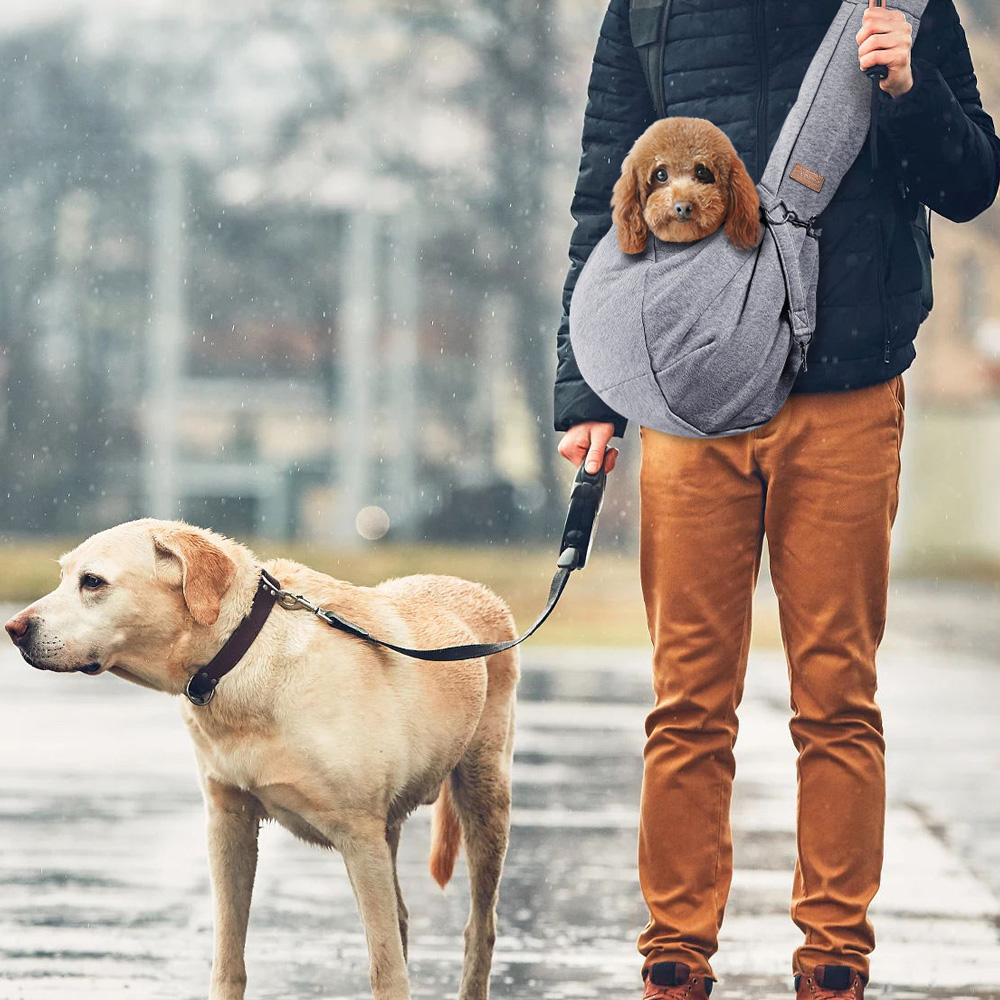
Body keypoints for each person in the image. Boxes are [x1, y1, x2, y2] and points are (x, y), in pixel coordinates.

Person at [553, 2, 1000, 998]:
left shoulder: (897, 7)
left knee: (835, 694)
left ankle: (832, 958)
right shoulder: (651, 8)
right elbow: (605, 198)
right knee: (685, 698)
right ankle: (675, 953)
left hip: (844, 388)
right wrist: (589, 391)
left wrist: (907, 91)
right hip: (692, 397)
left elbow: (970, 183)